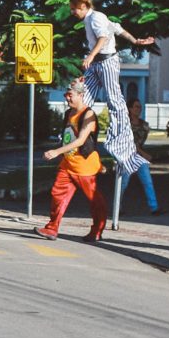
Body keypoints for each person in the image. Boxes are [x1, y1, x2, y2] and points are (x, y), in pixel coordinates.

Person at [69, 0, 155, 179]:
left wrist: (90, 56)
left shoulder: (96, 17)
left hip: (107, 61)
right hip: (97, 64)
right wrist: (135, 40)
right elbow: (116, 28)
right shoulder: (90, 19)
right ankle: (86, 147)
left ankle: (120, 139)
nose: (72, 12)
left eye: (74, 9)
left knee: (114, 99)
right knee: (83, 101)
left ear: (83, 6)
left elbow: (104, 37)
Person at [35, 79, 108, 242]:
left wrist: (56, 152)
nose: (67, 98)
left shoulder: (88, 114)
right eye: (66, 95)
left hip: (85, 166)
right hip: (67, 164)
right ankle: (51, 228)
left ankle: (97, 230)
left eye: (70, 95)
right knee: (57, 195)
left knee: (95, 201)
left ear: (81, 95)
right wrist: (61, 153)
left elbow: (81, 140)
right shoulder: (69, 113)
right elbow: (68, 138)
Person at [117, 100, 162, 216]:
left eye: (140, 107)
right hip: (127, 157)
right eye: (136, 107)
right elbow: (129, 143)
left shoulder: (144, 126)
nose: (138, 109)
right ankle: (117, 206)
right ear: (130, 109)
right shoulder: (125, 125)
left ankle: (154, 207)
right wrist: (143, 153)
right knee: (123, 183)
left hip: (138, 157)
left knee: (147, 181)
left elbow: (139, 143)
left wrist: (141, 152)